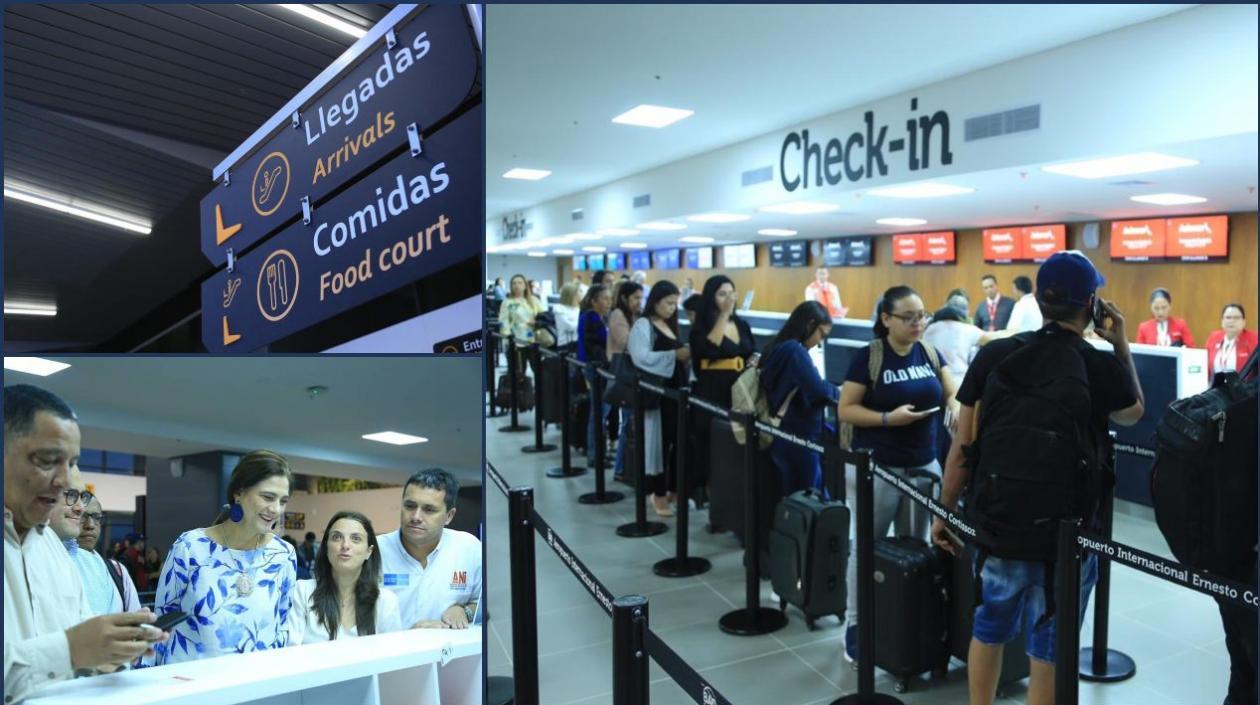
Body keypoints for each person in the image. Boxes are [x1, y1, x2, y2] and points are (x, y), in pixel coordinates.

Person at [931, 250, 1144, 705]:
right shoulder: (1096, 364)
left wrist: (943, 511)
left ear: (1041, 301)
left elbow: (962, 448)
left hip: (996, 524)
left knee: (988, 628)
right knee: (1049, 649)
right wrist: (1120, 343)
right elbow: (1133, 413)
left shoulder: (995, 355)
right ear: (1092, 306)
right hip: (1063, 539)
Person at [5, 385, 167, 702]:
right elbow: (67, 651)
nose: (65, 480)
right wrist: (71, 650)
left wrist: (107, 653)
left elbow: (76, 654)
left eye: (72, 463)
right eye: (48, 460)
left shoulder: (53, 549)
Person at [838, 285, 959, 663]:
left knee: (914, 546)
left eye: (922, 315)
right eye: (908, 317)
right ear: (886, 319)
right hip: (879, 467)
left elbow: (950, 389)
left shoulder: (928, 352)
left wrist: (955, 404)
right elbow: (846, 409)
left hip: (923, 465)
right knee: (866, 545)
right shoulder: (870, 357)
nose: (918, 323)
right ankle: (856, 626)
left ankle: (905, 618)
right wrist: (888, 419)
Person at [147, 450, 298, 665]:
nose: (275, 509)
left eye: (283, 501)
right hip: (190, 680)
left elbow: (281, 627)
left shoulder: (283, 555)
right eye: (267, 497)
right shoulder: (190, 547)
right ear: (239, 493)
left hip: (257, 680)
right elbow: (161, 625)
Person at [379, 469, 481, 630]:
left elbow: (486, 603)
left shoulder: (469, 548)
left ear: (449, 516)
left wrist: (465, 611)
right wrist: (408, 635)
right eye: (410, 506)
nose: (416, 517)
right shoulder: (375, 551)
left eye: (429, 510)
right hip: (391, 646)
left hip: (453, 646)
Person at [758, 301, 840, 495]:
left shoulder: (778, 346)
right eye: (821, 334)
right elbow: (818, 389)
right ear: (810, 324)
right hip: (799, 436)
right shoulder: (794, 351)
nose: (819, 342)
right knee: (808, 496)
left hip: (784, 433)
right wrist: (839, 391)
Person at [689, 276, 756, 506]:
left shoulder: (742, 325)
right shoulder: (702, 327)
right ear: (711, 298)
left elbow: (749, 350)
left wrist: (754, 360)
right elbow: (708, 348)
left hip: (740, 388)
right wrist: (724, 315)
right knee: (713, 445)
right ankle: (711, 496)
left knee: (737, 443)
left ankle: (734, 497)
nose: (729, 299)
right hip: (712, 390)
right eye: (722, 294)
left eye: (731, 293)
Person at [290, 511, 401, 644]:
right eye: (337, 537)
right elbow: (290, 651)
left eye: (356, 539)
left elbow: (392, 654)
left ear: (369, 551)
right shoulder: (303, 591)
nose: (345, 545)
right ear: (326, 547)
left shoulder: (385, 602)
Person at [628, 281, 690, 517]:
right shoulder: (643, 325)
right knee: (659, 445)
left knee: (676, 442)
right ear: (655, 302)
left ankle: (673, 488)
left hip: (675, 392)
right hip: (658, 394)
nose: (672, 308)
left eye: (675, 304)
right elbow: (640, 357)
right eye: (668, 303)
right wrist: (674, 355)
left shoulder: (669, 325)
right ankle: (658, 493)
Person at [50, 469, 123, 617]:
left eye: (81, 497)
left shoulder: (95, 564)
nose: (80, 508)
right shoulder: (19, 556)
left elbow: (112, 622)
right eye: (71, 494)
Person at [79, 496, 143, 613]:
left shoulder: (118, 571)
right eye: (82, 516)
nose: (90, 525)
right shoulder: (56, 568)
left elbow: (135, 618)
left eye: (96, 517)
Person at [607, 282, 645, 480]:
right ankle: (621, 468)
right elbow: (626, 342)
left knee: (630, 422)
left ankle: (626, 467)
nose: (640, 301)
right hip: (625, 374)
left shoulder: (636, 316)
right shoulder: (618, 315)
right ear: (624, 298)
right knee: (628, 422)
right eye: (636, 298)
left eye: (641, 297)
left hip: (636, 374)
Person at [578, 284, 613, 467]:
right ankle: (595, 455)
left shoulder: (595, 317)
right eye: (605, 299)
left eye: (610, 298)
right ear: (594, 301)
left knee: (599, 413)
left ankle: (598, 453)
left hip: (595, 367)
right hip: (596, 368)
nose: (609, 302)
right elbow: (604, 341)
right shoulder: (592, 318)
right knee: (599, 413)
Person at [498, 273, 544, 373]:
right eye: (514, 283)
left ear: (525, 285)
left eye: (519, 283)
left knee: (538, 370)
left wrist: (537, 322)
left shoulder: (534, 300)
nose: (517, 285)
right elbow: (503, 322)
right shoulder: (507, 302)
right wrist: (508, 339)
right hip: (516, 340)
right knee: (519, 371)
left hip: (534, 339)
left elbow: (543, 316)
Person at [1205, 303, 1257, 377]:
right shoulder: (1214, 337)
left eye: (1236, 318)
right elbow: (1206, 366)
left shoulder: (1254, 339)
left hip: (1243, 384)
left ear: (1244, 322)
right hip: (1216, 383)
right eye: (1228, 317)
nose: (1232, 321)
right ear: (1222, 321)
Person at [554, 283, 582, 348]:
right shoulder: (559, 308)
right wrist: (583, 325)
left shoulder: (579, 309)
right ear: (571, 294)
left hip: (578, 343)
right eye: (578, 292)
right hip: (565, 344)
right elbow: (569, 326)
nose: (581, 295)